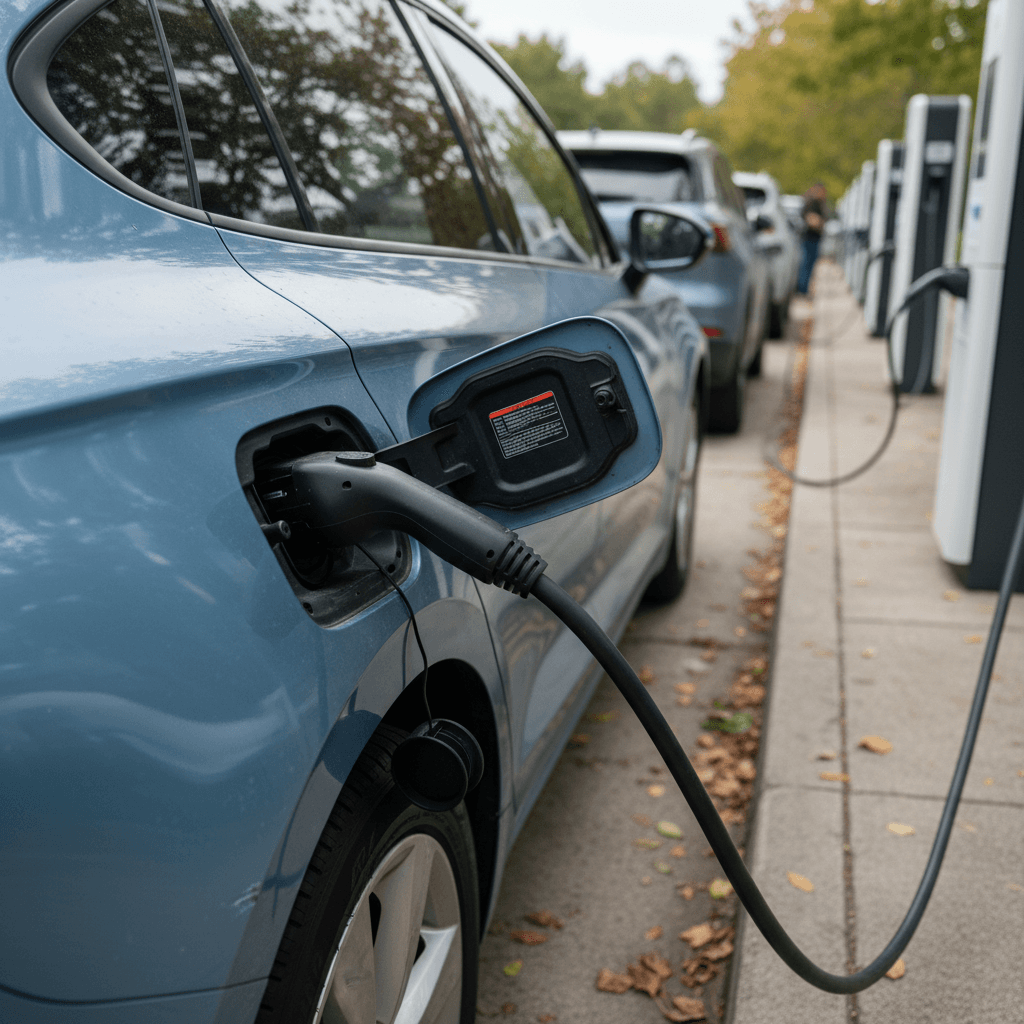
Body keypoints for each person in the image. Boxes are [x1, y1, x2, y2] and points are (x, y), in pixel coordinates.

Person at [796, 182, 828, 295]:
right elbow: (810, 218)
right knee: (806, 264)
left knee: (809, 264)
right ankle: (802, 289)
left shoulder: (818, 203)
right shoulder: (812, 203)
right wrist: (818, 222)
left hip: (814, 237)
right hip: (810, 237)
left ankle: (804, 288)